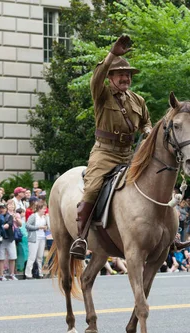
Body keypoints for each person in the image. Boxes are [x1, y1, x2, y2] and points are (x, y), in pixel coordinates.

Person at [70, 34, 154, 259]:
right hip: (105, 153)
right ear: (111, 78)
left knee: (156, 181)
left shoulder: (138, 100)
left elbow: (146, 122)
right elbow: (95, 77)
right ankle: (81, 237)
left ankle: (166, 235)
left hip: (130, 155)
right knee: (93, 188)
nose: (126, 78)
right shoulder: (102, 94)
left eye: (128, 74)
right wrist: (112, 54)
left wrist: (147, 132)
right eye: (121, 74)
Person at [25, 203, 49, 279]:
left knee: (40, 257)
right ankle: (28, 273)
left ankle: (40, 273)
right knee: (32, 256)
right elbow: (27, 225)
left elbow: (48, 227)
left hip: (42, 237)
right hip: (34, 238)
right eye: (43, 209)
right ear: (39, 209)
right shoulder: (34, 216)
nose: (45, 210)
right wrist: (38, 227)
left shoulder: (44, 217)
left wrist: (46, 225)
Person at [0, 203, 18, 280]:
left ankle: (12, 274)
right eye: (0, 208)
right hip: (0, 239)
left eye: (3, 208)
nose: (1, 209)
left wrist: (7, 225)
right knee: (0, 258)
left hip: (10, 239)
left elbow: (10, 223)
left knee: (12, 257)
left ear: (6, 209)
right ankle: (1, 275)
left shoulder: (10, 216)